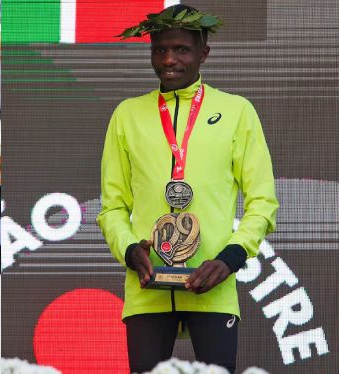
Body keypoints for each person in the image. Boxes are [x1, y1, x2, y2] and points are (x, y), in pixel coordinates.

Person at [96, 5, 278, 373]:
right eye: (160, 49)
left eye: (181, 49)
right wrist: (130, 250)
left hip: (213, 286)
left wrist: (230, 259)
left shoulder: (236, 111)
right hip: (147, 288)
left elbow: (263, 201)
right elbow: (112, 207)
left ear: (203, 54)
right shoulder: (127, 114)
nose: (169, 60)